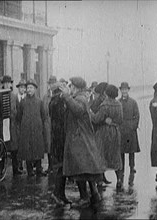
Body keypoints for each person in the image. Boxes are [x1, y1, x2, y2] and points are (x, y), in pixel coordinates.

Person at [59, 76, 106, 205]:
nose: (70, 89)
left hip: (80, 140)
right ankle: (94, 194)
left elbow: (78, 111)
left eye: (71, 87)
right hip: (80, 138)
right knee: (86, 168)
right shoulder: (80, 98)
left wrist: (67, 97)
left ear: (76, 88)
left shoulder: (81, 98)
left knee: (79, 169)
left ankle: (84, 197)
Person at [90, 84, 123, 188]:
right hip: (115, 132)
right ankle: (119, 180)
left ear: (106, 93)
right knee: (115, 156)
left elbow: (96, 119)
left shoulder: (104, 105)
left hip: (103, 132)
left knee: (101, 156)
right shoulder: (119, 104)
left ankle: (99, 181)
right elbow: (121, 120)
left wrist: (90, 113)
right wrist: (113, 121)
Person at [17, 79, 47, 177]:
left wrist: (39, 126)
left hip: (37, 130)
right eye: (28, 88)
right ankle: (30, 170)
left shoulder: (39, 101)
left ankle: (39, 169)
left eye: (31, 88)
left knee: (37, 149)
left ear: (35, 89)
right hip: (26, 131)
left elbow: (43, 116)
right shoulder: (23, 102)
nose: (29, 90)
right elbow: (19, 116)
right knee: (27, 150)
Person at [49, 81, 72, 205]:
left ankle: (60, 194)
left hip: (59, 138)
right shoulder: (55, 103)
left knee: (62, 168)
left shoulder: (57, 102)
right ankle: (57, 194)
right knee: (60, 168)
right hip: (59, 139)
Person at [90, 82, 112, 186]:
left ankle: (102, 177)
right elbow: (95, 118)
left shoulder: (103, 101)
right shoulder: (96, 102)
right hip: (97, 130)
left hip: (102, 130)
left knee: (102, 155)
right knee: (99, 155)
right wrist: (104, 120)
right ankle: (99, 179)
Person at [0, 75, 22, 176]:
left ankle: (15, 169)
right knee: (2, 148)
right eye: (5, 83)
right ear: (3, 84)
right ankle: (0, 169)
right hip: (3, 125)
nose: (7, 85)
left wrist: (17, 122)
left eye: (9, 83)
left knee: (14, 149)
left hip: (13, 125)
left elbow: (18, 110)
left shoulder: (13, 96)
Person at [119, 82, 140, 185]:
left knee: (131, 150)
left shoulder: (133, 102)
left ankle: (132, 167)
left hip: (130, 129)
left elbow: (137, 115)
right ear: (120, 91)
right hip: (122, 129)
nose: (124, 91)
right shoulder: (118, 102)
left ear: (128, 90)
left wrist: (134, 126)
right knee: (121, 150)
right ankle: (121, 169)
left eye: (126, 89)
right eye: (122, 89)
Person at [42, 75, 57, 174]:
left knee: (56, 144)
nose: (51, 85)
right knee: (48, 145)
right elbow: (43, 110)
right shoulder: (45, 96)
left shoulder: (58, 95)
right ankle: (50, 165)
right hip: (48, 123)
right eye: (50, 84)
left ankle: (56, 166)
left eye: (53, 83)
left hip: (56, 123)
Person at [15, 79, 27, 172]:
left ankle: (22, 164)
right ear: (18, 88)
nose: (22, 89)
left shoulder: (26, 99)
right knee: (17, 144)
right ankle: (18, 165)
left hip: (25, 125)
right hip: (17, 124)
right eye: (21, 87)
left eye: (24, 87)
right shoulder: (15, 98)